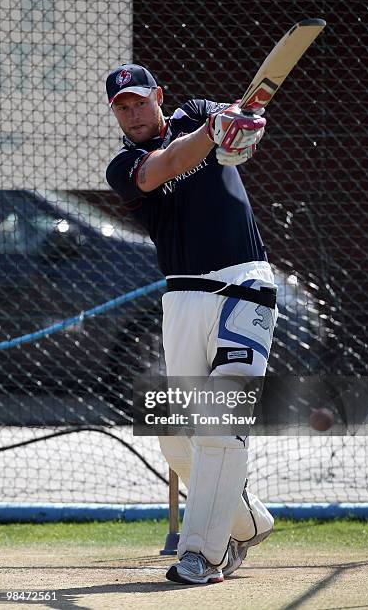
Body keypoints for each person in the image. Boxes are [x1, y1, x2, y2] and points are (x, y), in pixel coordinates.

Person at [106, 63, 277, 584]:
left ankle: (203, 553)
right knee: (173, 435)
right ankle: (248, 521)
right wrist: (212, 134)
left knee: (222, 419)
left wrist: (239, 130)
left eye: (139, 100)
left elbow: (233, 142)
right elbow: (164, 167)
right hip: (181, 295)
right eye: (122, 108)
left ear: (158, 95)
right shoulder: (123, 165)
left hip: (245, 281)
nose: (133, 113)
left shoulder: (199, 111)